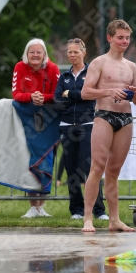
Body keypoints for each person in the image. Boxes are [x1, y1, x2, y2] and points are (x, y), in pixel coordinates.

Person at [81, 19, 136, 232]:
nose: (124, 41)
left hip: (125, 118)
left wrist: (135, 95)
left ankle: (114, 219)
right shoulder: (99, 62)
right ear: (110, 38)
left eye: (127, 38)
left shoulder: (132, 66)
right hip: (104, 116)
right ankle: (87, 217)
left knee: (114, 172)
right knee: (97, 167)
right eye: (120, 38)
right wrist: (108, 91)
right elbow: (85, 92)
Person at [55, 38, 109, 221]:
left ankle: (99, 210)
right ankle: (76, 209)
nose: (72, 55)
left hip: (88, 125)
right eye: (69, 52)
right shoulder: (64, 77)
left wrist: (71, 94)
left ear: (83, 53)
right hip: (67, 125)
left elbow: (91, 95)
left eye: (75, 52)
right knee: (72, 168)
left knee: (92, 168)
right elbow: (58, 100)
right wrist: (78, 96)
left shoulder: (92, 73)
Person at [12, 38, 60, 218]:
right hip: (28, 121)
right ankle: (33, 206)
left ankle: (41, 207)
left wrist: (43, 98)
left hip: (49, 120)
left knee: (48, 157)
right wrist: (31, 97)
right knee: (31, 159)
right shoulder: (19, 67)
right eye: (32, 52)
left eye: (39, 52)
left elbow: (57, 94)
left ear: (44, 54)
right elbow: (16, 93)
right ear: (26, 53)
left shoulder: (53, 69)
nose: (35, 55)